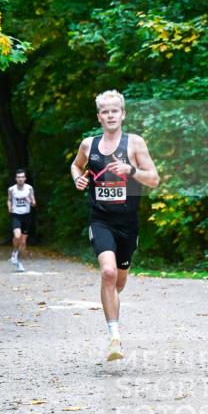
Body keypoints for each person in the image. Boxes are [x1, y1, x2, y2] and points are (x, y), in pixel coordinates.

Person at [70, 90, 160, 361]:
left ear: (123, 114)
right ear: (99, 116)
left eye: (115, 110)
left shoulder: (134, 143)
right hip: (101, 220)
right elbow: (76, 166)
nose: (110, 115)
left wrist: (131, 171)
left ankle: (111, 303)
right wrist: (78, 179)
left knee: (118, 281)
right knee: (108, 273)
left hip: (127, 224)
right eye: (105, 111)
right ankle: (115, 338)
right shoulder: (88, 144)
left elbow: (154, 179)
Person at [7, 168, 36, 272]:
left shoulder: (29, 188)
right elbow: (9, 200)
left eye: (22, 177)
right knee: (17, 236)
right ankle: (14, 252)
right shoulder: (11, 189)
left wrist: (30, 201)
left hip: (26, 216)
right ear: (16, 179)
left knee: (23, 242)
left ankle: (18, 261)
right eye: (18, 177)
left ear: (25, 178)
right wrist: (9, 207)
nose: (20, 179)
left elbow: (34, 203)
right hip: (16, 215)